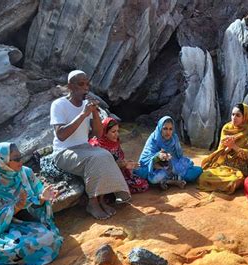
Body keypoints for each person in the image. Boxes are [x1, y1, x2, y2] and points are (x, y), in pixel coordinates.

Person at [0, 142, 63, 265]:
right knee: (18, 246)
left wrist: (43, 198)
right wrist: (17, 206)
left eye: (20, 157)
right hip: (7, 227)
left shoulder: (26, 173)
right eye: (16, 159)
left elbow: (37, 200)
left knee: (50, 236)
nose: (21, 161)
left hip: (28, 221)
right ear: (1, 161)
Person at [50, 70, 130, 220]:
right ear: (70, 86)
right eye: (81, 84)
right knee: (95, 158)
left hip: (84, 148)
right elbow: (61, 135)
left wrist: (94, 114)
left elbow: (98, 135)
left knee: (105, 154)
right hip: (63, 151)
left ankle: (102, 200)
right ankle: (92, 203)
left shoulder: (87, 105)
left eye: (87, 84)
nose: (85, 88)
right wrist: (83, 114)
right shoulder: (59, 105)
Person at [198, 103, 248, 194]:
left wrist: (235, 147)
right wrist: (228, 148)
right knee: (204, 176)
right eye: (233, 114)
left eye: (238, 115)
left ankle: (234, 182)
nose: (234, 117)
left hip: (241, 167)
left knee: (233, 182)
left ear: (245, 117)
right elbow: (220, 153)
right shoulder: (226, 128)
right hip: (226, 163)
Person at [134, 116, 203, 190]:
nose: (168, 132)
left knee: (197, 171)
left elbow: (179, 156)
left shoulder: (174, 138)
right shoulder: (153, 139)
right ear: (160, 128)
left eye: (170, 129)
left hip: (173, 166)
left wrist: (169, 160)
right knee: (142, 173)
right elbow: (145, 159)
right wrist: (158, 157)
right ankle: (173, 181)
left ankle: (168, 180)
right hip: (156, 168)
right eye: (165, 129)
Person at [89, 117, 149, 193]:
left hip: (118, 174)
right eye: (113, 132)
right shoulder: (97, 145)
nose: (117, 134)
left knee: (143, 184)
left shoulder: (115, 142)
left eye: (118, 131)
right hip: (104, 178)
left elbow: (119, 158)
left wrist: (126, 164)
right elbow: (101, 167)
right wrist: (122, 165)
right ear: (105, 132)